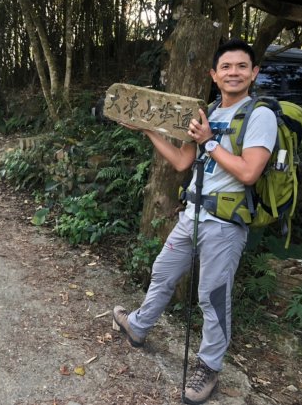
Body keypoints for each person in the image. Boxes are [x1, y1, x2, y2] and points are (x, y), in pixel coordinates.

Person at [112, 38, 277, 405]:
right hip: (192, 215)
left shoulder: (260, 115)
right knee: (163, 271)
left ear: (254, 73)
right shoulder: (209, 113)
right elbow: (183, 163)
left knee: (212, 296)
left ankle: (208, 367)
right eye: (226, 67)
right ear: (214, 75)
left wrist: (210, 142)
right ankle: (138, 326)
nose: (233, 72)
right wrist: (150, 131)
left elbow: (249, 172)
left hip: (225, 223)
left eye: (241, 66)